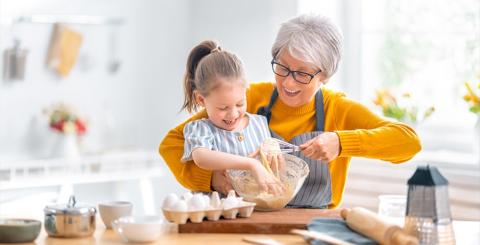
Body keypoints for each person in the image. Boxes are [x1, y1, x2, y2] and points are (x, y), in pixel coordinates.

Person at [159, 14, 421, 209]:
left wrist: (342, 142)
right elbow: (171, 144)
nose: (288, 82)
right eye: (282, 67)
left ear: (326, 76)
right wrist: (212, 179)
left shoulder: (337, 109)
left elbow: (408, 142)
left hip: (314, 227)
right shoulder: (248, 100)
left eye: (302, 74)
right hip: (248, 219)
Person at [177, 40, 281, 194]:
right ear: (201, 99)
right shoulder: (200, 129)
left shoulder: (259, 123)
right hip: (217, 215)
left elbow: (276, 173)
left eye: (240, 104)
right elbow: (201, 157)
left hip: (256, 213)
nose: (233, 114)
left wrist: (275, 154)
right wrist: (251, 164)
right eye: (223, 108)